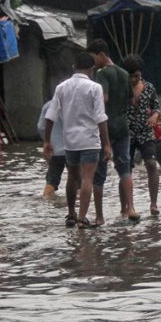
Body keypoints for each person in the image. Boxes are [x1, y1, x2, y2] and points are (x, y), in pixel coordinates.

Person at [44, 52, 112, 229]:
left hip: (70, 142)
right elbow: (100, 118)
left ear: (74, 67)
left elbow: (50, 116)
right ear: (91, 69)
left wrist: (46, 141)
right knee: (87, 179)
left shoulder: (61, 87)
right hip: (89, 140)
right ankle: (82, 218)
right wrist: (106, 144)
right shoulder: (94, 88)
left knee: (72, 178)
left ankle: (71, 215)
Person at [88, 39, 134, 223]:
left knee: (99, 173)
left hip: (105, 127)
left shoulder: (102, 74)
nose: (93, 61)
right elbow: (132, 101)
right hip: (123, 125)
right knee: (125, 167)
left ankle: (99, 217)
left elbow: (104, 98)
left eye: (93, 57)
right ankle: (130, 208)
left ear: (101, 54)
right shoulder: (124, 73)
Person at [123, 54, 161, 217]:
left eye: (136, 76)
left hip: (146, 132)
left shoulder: (149, 88)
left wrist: (154, 115)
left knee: (152, 164)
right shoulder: (121, 88)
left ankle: (153, 204)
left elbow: (157, 108)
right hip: (127, 133)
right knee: (126, 170)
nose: (133, 79)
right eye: (130, 76)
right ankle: (125, 207)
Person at [37, 96, 66, 199]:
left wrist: (48, 141)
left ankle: (47, 204)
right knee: (78, 180)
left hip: (55, 150)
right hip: (73, 148)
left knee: (52, 180)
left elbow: (41, 127)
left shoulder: (48, 106)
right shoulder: (74, 104)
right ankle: (77, 206)